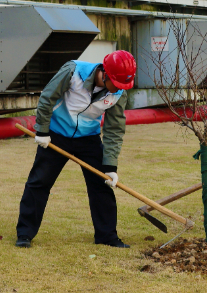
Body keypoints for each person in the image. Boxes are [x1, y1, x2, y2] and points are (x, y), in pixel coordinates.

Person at [15, 50, 137, 248]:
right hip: (56, 135)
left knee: (102, 185)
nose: (119, 89)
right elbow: (47, 97)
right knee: (39, 182)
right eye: (117, 83)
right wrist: (42, 131)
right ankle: (25, 234)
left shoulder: (118, 93)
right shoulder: (73, 72)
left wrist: (110, 165)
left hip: (88, 138)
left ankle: (107, 237)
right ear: (105, 73)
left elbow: (114, 128)